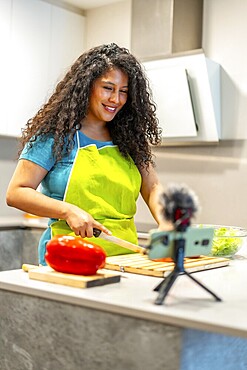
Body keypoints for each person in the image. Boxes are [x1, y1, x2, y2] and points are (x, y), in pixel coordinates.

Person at [6, 43, 169, 266]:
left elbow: (152, 188)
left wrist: (166, 222)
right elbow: (16, 192)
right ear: (86, 86)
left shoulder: (130, 139)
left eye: (123, 91)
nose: (116, 99)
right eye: (108, 88)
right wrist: (68, 211)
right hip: (69, 257)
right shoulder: (55, 136)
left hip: (127, 260)